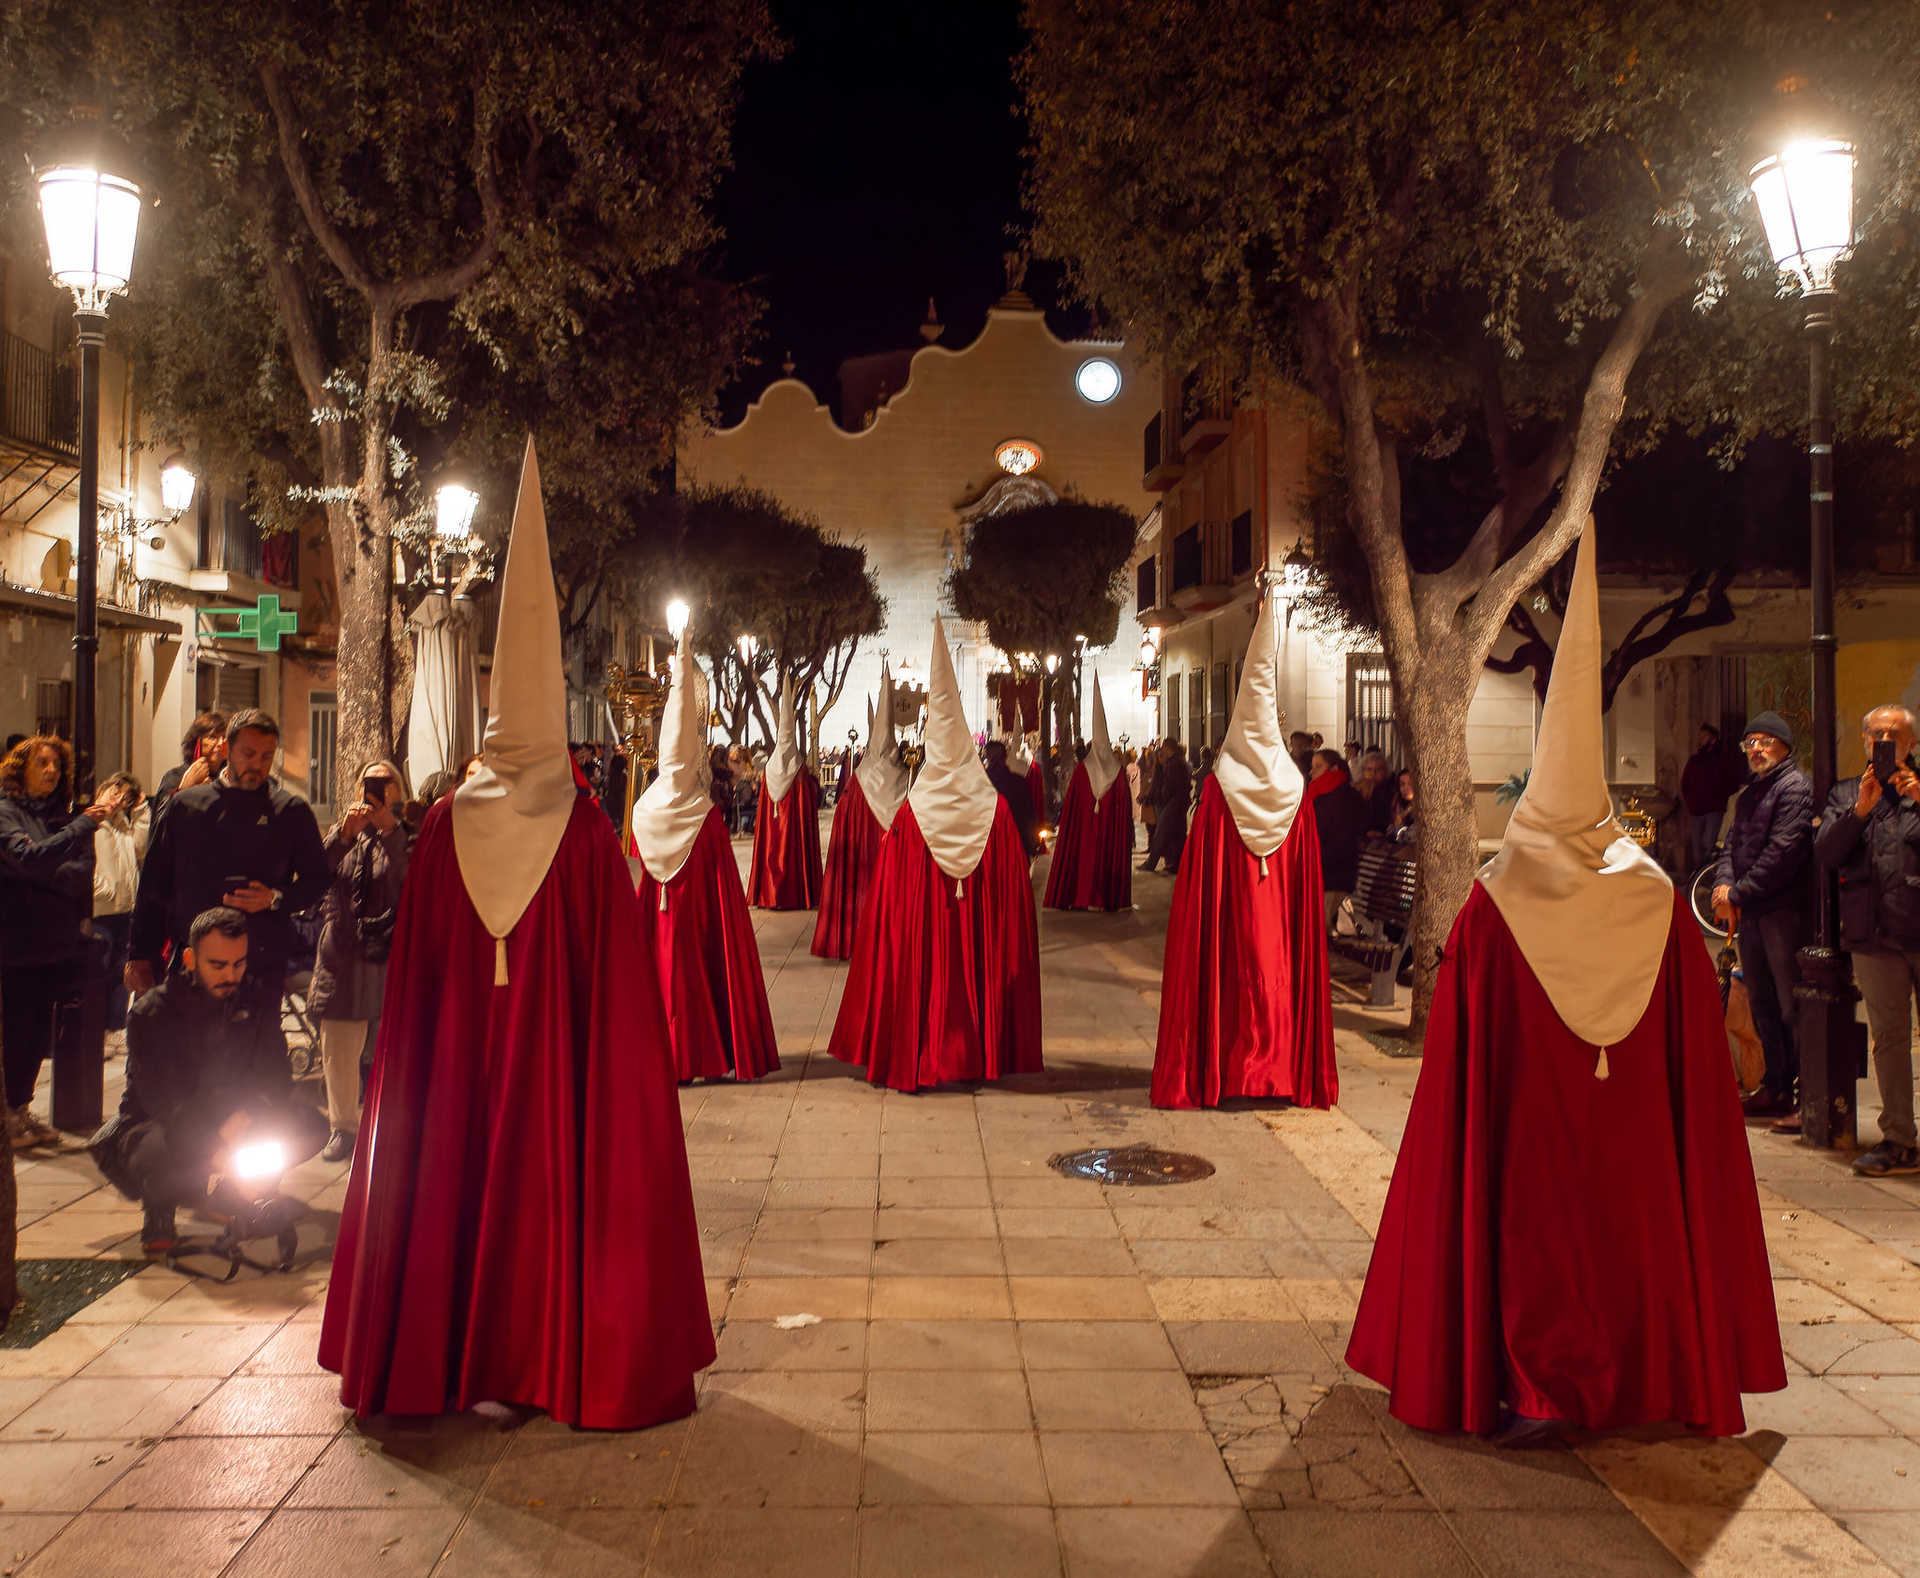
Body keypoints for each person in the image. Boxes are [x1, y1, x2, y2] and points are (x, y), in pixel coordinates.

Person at [1348, 519, 1783, 1443]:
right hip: (1633, 1156)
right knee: (1630, 1242)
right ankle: (1646, 1375)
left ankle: (1522, 1382)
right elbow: (1693, 1074)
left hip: (1525, 1143)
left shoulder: (1495, 904)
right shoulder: (1660, 901)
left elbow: (1459, 1070)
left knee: (1533, 1247)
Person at [320, 437, 712, 1429]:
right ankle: (556, 1348)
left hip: (455, 1066)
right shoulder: (581, 832)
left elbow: (415, 983)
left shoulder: (450, 817)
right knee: (558, 1173)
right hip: (555, 1077)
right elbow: (616, 1003)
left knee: (445, 1146)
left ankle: (439, 1345)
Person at [829, 616, 1042, 1093]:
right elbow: (1013, 905)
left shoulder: (910, 817)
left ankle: (924, 1048)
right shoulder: (998, 813)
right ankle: (978, 1050)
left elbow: (890, 910)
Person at [1152, 595, 1336, 1111]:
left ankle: (1228, 1069)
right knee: (1276, 975)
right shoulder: (1294, 792)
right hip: (1279, 923)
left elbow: (1198, 877)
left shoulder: (1217, 789)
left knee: (1229, 980)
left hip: (1229, 919)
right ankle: (1276, 1071)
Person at [97, 906, 328, 1252]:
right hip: (164, 1122)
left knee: (308, 1126)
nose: (230, 975)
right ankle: (160, 1209)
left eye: (238, 963)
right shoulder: (154, 1012)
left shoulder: (255, 1002)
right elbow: (160, 1097)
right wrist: (215, 1139)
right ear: (190, 959)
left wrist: (246, 1117)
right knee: (161, 1153)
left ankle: (230, 1195)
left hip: (234, 1113)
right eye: (217, 965)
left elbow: (276, 1077)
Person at [634, 629, 780, 1080]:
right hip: (699, 919)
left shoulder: (642, 810)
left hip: (656, 920)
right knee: (699, 977)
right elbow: (722, 886)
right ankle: (708, 1050)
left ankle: (660, 1053)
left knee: (661, 979)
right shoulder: (706, 815)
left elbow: (638, 857)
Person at [126, 710, 330, 1009]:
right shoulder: (187, 806)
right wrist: (140, 953)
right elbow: (155, 882)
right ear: (226, 750)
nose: (257, 765)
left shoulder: (290, 811)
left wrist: (274, 898)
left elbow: (318, 880)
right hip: (193, 960)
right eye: (248, 754)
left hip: (259, 962)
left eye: (266, 756)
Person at [1815, 704, 1920, 1177]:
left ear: (1910, 745)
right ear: (1863, 741)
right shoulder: (1846, 793)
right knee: (1890, 1040)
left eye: (1894, 735)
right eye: (1876, 734)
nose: (1884, 741)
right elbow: (1827, 855)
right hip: (1873, 936)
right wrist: (1859, 810)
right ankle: (1900, 1139)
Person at [1, 737, 115, 1148]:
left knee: (35, 1034)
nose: (51, 771)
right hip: (15, 947)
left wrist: (47, 866)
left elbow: (79, 871)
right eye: (42, 763)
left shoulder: (59, 818)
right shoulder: (7, 813)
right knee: (15, 1029)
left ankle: (20, 1109)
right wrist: (80, 828)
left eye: (57, 765)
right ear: (20, 768)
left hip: (53, 943)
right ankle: (8, 1115)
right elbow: (26, 859)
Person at [1712, 713, 1813, 1123]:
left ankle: (1805, 1096)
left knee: (1792, 1006)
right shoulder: (1750, 793)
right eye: (1750, 742)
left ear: (1785, 746)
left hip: (1782, 914)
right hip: (1752, 911)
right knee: (1763, 1004)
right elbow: (1731, 845)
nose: (1756, 749)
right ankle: (1774, 1087)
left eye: (1766, 741)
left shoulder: (1794, 788)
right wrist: (1722, 888)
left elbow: (1782, 853)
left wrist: (1736, 893)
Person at [309, 762, 411, 1164]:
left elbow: (407, 880)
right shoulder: (344, 833)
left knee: (393, 1046)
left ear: (397, 791)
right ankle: (343, 1127)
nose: (377, 788)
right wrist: (343, 835)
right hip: (344, 954)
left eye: (385, 782)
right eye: (371, 781)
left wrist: (389, 830)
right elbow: (318, 876)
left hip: (390, 953)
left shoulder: (407, 835)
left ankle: (393, 1125)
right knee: (338, 1045)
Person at [816, 666, 912, 958]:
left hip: (859, 861)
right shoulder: (905, 781)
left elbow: (843, 820)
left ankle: (853, 936)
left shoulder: (857, 781)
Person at [1044, 677, 1133, 911]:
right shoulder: (1117, 771)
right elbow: (1123, 810)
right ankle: (1105, 899)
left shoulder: (1084, 770)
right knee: (1104, 861)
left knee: (1085, 861)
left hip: (1084, 833)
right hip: (1107, 835)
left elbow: (1073, 805)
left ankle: (1082, 896)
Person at [748, 676, 823, 909]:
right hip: (792, 831)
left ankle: (769, 893)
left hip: (773, 830)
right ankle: (796, 892)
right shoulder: (799, 771)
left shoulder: (769, 769)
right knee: (792, 853)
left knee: (771, 850)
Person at [91, 771, 150, 1040]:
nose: (118, 799)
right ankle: (94, 1031)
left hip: (125, 910)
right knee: (98, 972)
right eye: (115, 791)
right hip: (100, 911)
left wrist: (140, 810)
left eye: (125, 796)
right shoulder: (90, 823)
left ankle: (113, 1029)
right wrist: (103, 891)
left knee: (119, 972)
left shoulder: (123, 825)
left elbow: (143, 849)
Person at [1306, 750, 1366, 933]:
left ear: (1333, 769)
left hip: (1333, 879)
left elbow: (1336, 841)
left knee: (1316, 927)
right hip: (1324, 875)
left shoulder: (1341, 798)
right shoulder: (1318, 795)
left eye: (1318, 767)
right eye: (1312, 767)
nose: (1311, 772)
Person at [1680, 724, 1739, 872]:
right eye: (1699, 736)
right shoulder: (1695, 760)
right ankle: (1697, 875)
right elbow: (1685, 782)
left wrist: (1720, 796)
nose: (1699, 739)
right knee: (1696, 845)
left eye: (1703, 736)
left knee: (1709, 843)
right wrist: (1690, 801)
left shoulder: (1721, 759)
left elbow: (1732, 781)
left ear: (1712, 739)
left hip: (1713, 809)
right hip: (1696, 810)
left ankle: (1707, 874)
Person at [149, 711, 228, 821]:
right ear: (197, 742)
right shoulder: (175, 777)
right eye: (212, 737)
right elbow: (159, 823)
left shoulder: (227, 779)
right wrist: (184, 790)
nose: (220, 743)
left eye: (224, 737)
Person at [983, 741, 1042, 861]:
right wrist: (1033, 843)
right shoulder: (1019, 782)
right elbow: (1028, 816)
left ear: (987, 757)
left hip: (988, 847)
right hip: (1016, 844)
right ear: (1005, 757)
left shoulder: (979, 783)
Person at [1139, 741, 1192, 874]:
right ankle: (1177, 864)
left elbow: (1169, 786)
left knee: (1161, 833)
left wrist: (1162, 797)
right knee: (1177, 835)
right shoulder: (1180, 762)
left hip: (1173, 803)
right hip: (1180, 802)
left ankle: (1152, 863)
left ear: (1168, 748)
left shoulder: (1172, 764)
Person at [1387, 769, 1417, 845]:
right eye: (1402, 784)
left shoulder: (1419, 809)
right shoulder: (1398, 805)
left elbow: (1411, 837)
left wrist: (1398, 828)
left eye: (1410, 784)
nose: (1406, 788)